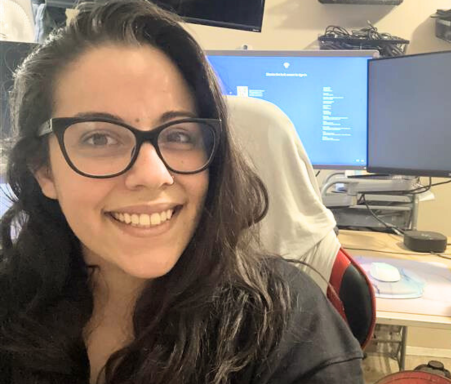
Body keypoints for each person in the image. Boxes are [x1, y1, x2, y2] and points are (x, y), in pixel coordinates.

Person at [0, 1, 364, 383]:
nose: (153, 175)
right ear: (44, 170)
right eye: (100, 137)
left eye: (178, 135)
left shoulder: (288, 327)